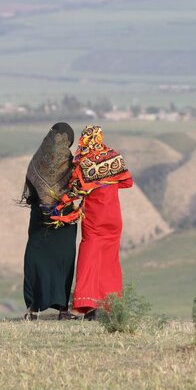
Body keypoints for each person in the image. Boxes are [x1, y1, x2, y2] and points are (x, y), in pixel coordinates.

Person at [51, 125, 133, 319]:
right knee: (109, 261)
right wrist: (106, 182)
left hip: (94, 218)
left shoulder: (82, 162)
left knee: (89, 260)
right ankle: (110, 305)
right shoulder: (113, 156)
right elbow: (127, 182)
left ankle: (87, 305)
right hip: (113, 216)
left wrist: (58, 205)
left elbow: (73, 190)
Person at [20, 122, 78, 320]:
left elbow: (30, 191)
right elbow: (78, 187)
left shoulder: (37, 160)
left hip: (39, 220)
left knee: (36, 260)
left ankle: (31, 310)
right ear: (68, 140)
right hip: (64, 219)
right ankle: (63, 310)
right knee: (63, 262)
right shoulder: (71, 163)